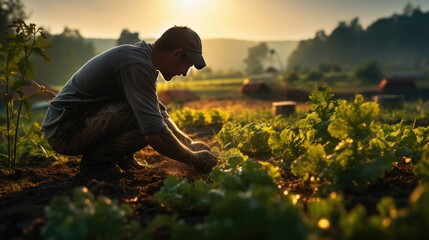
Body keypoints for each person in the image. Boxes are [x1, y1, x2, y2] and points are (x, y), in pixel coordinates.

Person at [41, 26, 218, 178]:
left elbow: (159, 112)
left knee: (147, 112)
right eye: (187, 65)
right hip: (65, 131)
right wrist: (194, 159)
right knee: (144, 121)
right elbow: (155, 131)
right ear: (176, 54)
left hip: (73, 123)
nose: (185, 73)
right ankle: (97, 165)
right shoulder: (136, 64)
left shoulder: (141, 59)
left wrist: (189, 144)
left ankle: (124, 159)